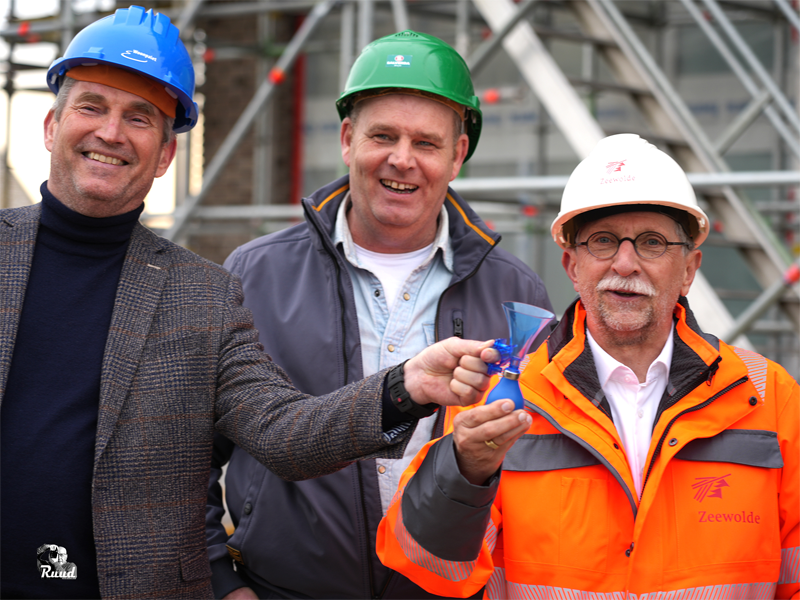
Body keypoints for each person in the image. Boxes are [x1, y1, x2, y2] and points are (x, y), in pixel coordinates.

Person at [0, 8, 496, 599]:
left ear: (164, 155)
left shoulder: (202, 293)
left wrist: (407, 384)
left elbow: (283, 432)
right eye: (92, 106)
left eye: (140, 117)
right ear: (52, 126)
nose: (112, 132)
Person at [205, 30, 553, 600]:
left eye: (426, 142)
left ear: (458, 154)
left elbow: (537, 469)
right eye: (382, 135)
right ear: (347, 139)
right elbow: (189, 456)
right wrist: (220, 584)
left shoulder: (515, 291)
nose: (401, 159)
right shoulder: (254, 274)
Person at [377, 133, 799, 599]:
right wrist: (465, 471)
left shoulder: (768, 396)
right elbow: (429, 567)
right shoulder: (501, 397)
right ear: (572, 265)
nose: (625, 262)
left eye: (653, 243)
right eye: (602, 241)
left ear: (689, 269)